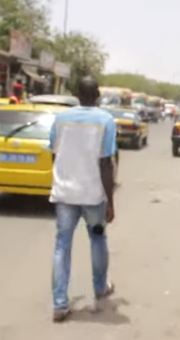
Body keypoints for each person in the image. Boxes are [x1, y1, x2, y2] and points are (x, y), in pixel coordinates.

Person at [49, 76, 117, 322]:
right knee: (97, 240)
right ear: (97, 95)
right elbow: (106, 163)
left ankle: (59, 304)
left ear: (77, 94)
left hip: (65, 193)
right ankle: (100, 288)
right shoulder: (105, 120)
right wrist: (110, 200)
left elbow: (54, 154)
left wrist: (59, 179)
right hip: (92, 194)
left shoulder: (60, 119)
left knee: (61, 246)